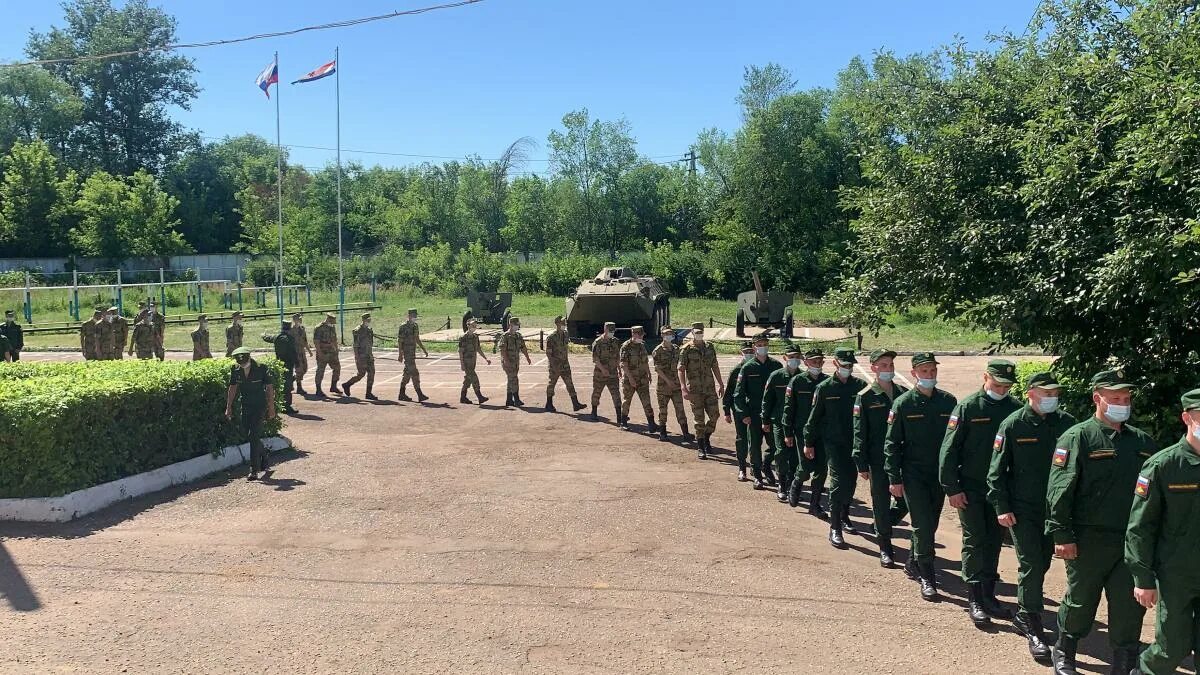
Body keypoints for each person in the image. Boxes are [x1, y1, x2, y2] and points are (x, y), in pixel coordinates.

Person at [1046, 369, 1156, 675]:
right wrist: (1061, 533)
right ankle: (1065, 649)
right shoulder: (1078, 436)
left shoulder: (1143, 442)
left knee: (1128, 605)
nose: (1123, 403)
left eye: (1127, 398)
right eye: (1116, 398)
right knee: (1081, 600)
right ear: (1098, 398)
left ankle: (1124, 660)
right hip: (1087, 538)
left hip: (1130, 541)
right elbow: (1060, 489)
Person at [988, 371, 1076, 661]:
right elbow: (997, 472)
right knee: (1032, 563)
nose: (1051, 399)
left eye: (1054, 394)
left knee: (1044, 561)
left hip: (1055, 511)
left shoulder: (1068, 425)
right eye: (1045, 394)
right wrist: (1001, 506)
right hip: (1023, 509)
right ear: (1031, 394)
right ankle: (1032, 622)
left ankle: (1027, 613)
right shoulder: (1013, 424)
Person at [939, 359, 1022, 626]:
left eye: (1006, 386)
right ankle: (974, 597)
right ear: (985, 377)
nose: (1002, 389)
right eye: (997, 384)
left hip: (999, 492)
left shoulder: (1015, 409)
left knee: (994, 541)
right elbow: (949, 451)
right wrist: (952, 488)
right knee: (975, 540)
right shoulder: (968, 407)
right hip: (971, 487)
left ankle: (989, 594)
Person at [1127, 387, 1200, 675]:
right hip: (1176, 576)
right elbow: (1140, 527)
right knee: (1172, 647)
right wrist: (1142, 577)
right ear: (1186, 418)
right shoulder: (1163, 466)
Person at [884, 351, 958, 602]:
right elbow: (892, 443)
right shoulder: (903, 404)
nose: (930, 375)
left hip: (937, 476)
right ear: (914, 373)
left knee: (931, 523)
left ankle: (913, 560)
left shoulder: (948, 402)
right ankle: (927, 576)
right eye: (925, 371)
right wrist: (894, 478)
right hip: (913, 474)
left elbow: (956, 442)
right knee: (923, 525)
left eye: (933, 370)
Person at [806, 347, 868, 548]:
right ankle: (835, 527)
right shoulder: (824, 388)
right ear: (835, 363)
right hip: (833, 443)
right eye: (844, 365)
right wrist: (808, 442)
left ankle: (844, 515)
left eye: (850, 366)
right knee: (838, 482)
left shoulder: (860, 387)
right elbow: (814, 418)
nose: (848, 369)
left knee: (850, 483)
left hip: (854, 443)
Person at [852, 348, 908, 567]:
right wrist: (861, 462)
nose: (888, 369)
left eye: (891, 366)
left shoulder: (903, 393)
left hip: (901, 458)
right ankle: (885, 547)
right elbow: (860, 432)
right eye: (883, 366)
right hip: (877, 459)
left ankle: (881, 525)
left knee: (906, 502)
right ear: (873, 368)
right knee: (881, 503)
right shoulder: (865, 396)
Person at [783, 348, 829, 513]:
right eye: (814, 361)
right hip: (802, 431)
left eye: (820, 361)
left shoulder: (827, 382)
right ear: (806, 362)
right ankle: (796, 482)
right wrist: (787, 432)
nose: (817, 364)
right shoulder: (797, 381)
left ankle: (814, 504)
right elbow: (789, 409)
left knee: (822, 469)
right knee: (805, 467)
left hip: (823, 433)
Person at [734, 335, 783, 488]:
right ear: (754, 347)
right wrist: (744, 413)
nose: (763, 347)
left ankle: (766, 465)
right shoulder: (747, 368)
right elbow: (738, 394)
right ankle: (757, 475)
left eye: (765, 344)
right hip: (754, 413)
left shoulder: (776, 366)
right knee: (754, 445)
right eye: (760, 344)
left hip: (772, 414)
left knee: (775, 445)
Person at [224, 346, 277, 481]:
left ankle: (254, 470)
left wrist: (271, 408)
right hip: (246, 406)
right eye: (239, 362)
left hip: (259, 407)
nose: (242, 364)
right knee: (247, 434)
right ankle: (264, 455)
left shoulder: (261, 368)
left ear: (248, 357)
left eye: (243, 361)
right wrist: (228, 407)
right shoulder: (236, 370)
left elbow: (269, 388)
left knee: (253, 435)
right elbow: (233, 388)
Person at [763, 344, 801, 502]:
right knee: (780, 452)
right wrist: (765, 420)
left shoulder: (803, 378)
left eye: (797, 357)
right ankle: (782, 484)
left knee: (795, 455)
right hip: (778, 421)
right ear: (785, 358)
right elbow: (767, 399)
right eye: (791, 357)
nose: (794, 360)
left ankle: (792, 482)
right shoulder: (776, 376)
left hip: (796, 423)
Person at [678, 322, 722, 458]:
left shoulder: (709, 347)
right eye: (696, 332)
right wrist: (683, 387)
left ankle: (706, 436)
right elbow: (681, 369)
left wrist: (720, 383)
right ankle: (701, 446)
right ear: (692, 332)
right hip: (695, 390)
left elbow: (715, 365)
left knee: (714, 415)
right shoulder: (686, 349)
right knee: (699, 419)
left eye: (701, 332)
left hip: (709, 388)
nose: (699, 334)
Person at [723, 341, 756, 478]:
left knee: (754, 440)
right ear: (741, 353)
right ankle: (742, 467)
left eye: (751, 351)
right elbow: (729, 392)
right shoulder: (736, 371)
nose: (749, 354)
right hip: (739, 409)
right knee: (741, 438)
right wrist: (726, 411)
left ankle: (755, 467)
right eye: (746, 352)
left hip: (755, 409)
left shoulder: (757, 368)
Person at [652, 326, 690, 442]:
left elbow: (682, 366)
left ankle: (686, 433)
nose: (669, 336)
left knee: (680, 410)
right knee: (663, 411)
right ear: (662, 336)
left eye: (670, 334)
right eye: (666, 334)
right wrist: (668, 382)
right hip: (663, 387)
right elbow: (657, 369)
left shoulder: (676, 349)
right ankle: (663, 433)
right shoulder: (657, 351)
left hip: (676, 387)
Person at [619, 325, 656, 431]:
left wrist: (648, 373)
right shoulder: (626, 346)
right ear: (634, 334)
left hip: (642, 378)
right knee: (627, 401)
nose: (642, 337)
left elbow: (645, 361)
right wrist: (631, 379)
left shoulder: (642, 345)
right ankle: (623, 422)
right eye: (640, 335)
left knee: (646, 401)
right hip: (629, 380)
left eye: (642, 335)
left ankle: (651, 423)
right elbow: (624, 365)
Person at [544, 315, 584, 413]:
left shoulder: (566, 334)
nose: (564, 325)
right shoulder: (551, 337)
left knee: (569, 383)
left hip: (565, 364)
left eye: (564, 323)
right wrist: (554, 366)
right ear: (557, 324)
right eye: (562, 323)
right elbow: (548, 353)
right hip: (555, 365)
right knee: (551, 384)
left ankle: (575, 403)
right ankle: (549, 404)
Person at [590, 321, 622, 423]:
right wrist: (603, 370)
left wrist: (619, 369)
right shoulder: (598, 342)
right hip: (600, 374)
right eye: (610, 330)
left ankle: (619, 416)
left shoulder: (616, 341)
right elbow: (595, 359)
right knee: (597, 393)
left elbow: (617, 357)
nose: (612, 332)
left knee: (616, 394)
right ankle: (594, 412)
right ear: (605, 329)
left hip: (613, 373)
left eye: (613, 330)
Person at [341, 313, 376, 400]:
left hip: (369, 355)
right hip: (361, 356)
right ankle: (347, 385)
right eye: (368, 320)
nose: (369, 321)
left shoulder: (369, 330)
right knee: (361, 374)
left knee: (372, 373)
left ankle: (368, 393)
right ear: (363, 320)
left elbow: (370, 343)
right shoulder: (357, 331)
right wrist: (357, 357)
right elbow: (355, 345)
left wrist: (371, 354)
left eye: (370, 319)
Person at [264, 321, 297, 413]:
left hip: (279, 364)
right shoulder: (290, 339)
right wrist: (297, 363)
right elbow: (293, 353)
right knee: (288, 386)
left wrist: (264, 335)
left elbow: (268, 338)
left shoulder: (277, 337)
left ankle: (280, 404)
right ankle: (287, 406)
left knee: (280, 385)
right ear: (289, 328)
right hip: (288, 365)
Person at [498, 316, 531, 407]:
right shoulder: (505, 336)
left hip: (515, 361)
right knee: (514, 379)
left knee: (511, 380)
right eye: (516, 325)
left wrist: (527, 357)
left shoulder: (518, 336)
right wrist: (506, 361)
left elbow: (523, 347)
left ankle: (509, 400)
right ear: (511, 325)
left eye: (518, 324)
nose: (517, 326)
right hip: (508, 362)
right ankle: (516, 399)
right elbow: (502, 350)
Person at [397, 308, 429, 402]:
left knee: (407, 374)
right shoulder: (403, 327)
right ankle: (419, 394)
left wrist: (424, 349)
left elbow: (417, 338)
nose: (415, 317)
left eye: (416, 316)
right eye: (413, 316)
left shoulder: (415, 326)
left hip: (412, 353)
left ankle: (401, 394)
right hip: (407, 353)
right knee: (415, 373)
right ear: (409, 316)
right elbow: (400, 341)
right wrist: (400, 354)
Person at [458, 318, 490, 404]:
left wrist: (485, 358)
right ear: (468, 326)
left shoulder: (475, 337)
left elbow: (478, 349)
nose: (474, 327)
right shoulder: (463, 337)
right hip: (467, 363)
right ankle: (480, 397)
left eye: (475, 326)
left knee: (468, 380)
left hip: (473, 362)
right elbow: (460, 352)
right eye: (472, 326)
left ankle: (463, 397)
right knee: (474, 379)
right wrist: (462, 364)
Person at [312, 313, 341, 397]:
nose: (333, 323)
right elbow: (316, 341)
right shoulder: (319, 328)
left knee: (337, 368)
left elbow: (334, 339)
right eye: (332, 321)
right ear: (328, 319)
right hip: (323, 352)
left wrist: (336, 349)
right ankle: (318, 389)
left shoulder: (332, 327)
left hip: (332, 352)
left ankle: (333, 386)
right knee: (320, 371)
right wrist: (319, 352)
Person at [290, 313, 313, 395]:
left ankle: (292, 379)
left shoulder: (302, 329)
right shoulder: (291, 330)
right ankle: (299, 388)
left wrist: (309, 351)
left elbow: (305, 341)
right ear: (295, 320)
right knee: (299, 370)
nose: (301, 320)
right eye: (299, 318)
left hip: (302, 352)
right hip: (295, 352)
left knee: (305, 369)